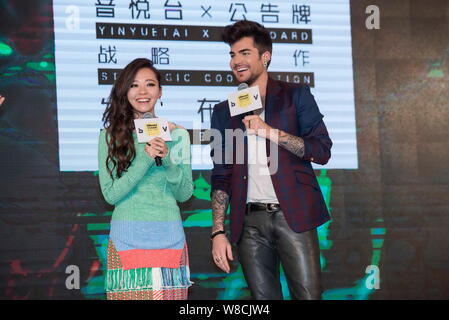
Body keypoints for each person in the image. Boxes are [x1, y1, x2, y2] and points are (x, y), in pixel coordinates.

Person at [210, 20, 332, 300]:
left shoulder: (295, 96)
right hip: (249, 221)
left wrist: (270, 132)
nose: (236, 61)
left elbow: (321, 150)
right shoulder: (223, 112)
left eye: (244, 53)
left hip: (293, 216)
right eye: (232, 55)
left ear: (265, 57)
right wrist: (218, 232)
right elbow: (222, 174)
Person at [98, 58, 193, 300]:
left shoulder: (178, 134)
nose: (142, 92)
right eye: (134, 85)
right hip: (127, 240)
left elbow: (185, 194)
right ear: (124, 91)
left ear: (160, 91)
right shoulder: (110, 137)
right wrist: (145, 158)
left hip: (169, 241)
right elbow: (111, 195)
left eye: (150, 84)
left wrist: (168, 158)